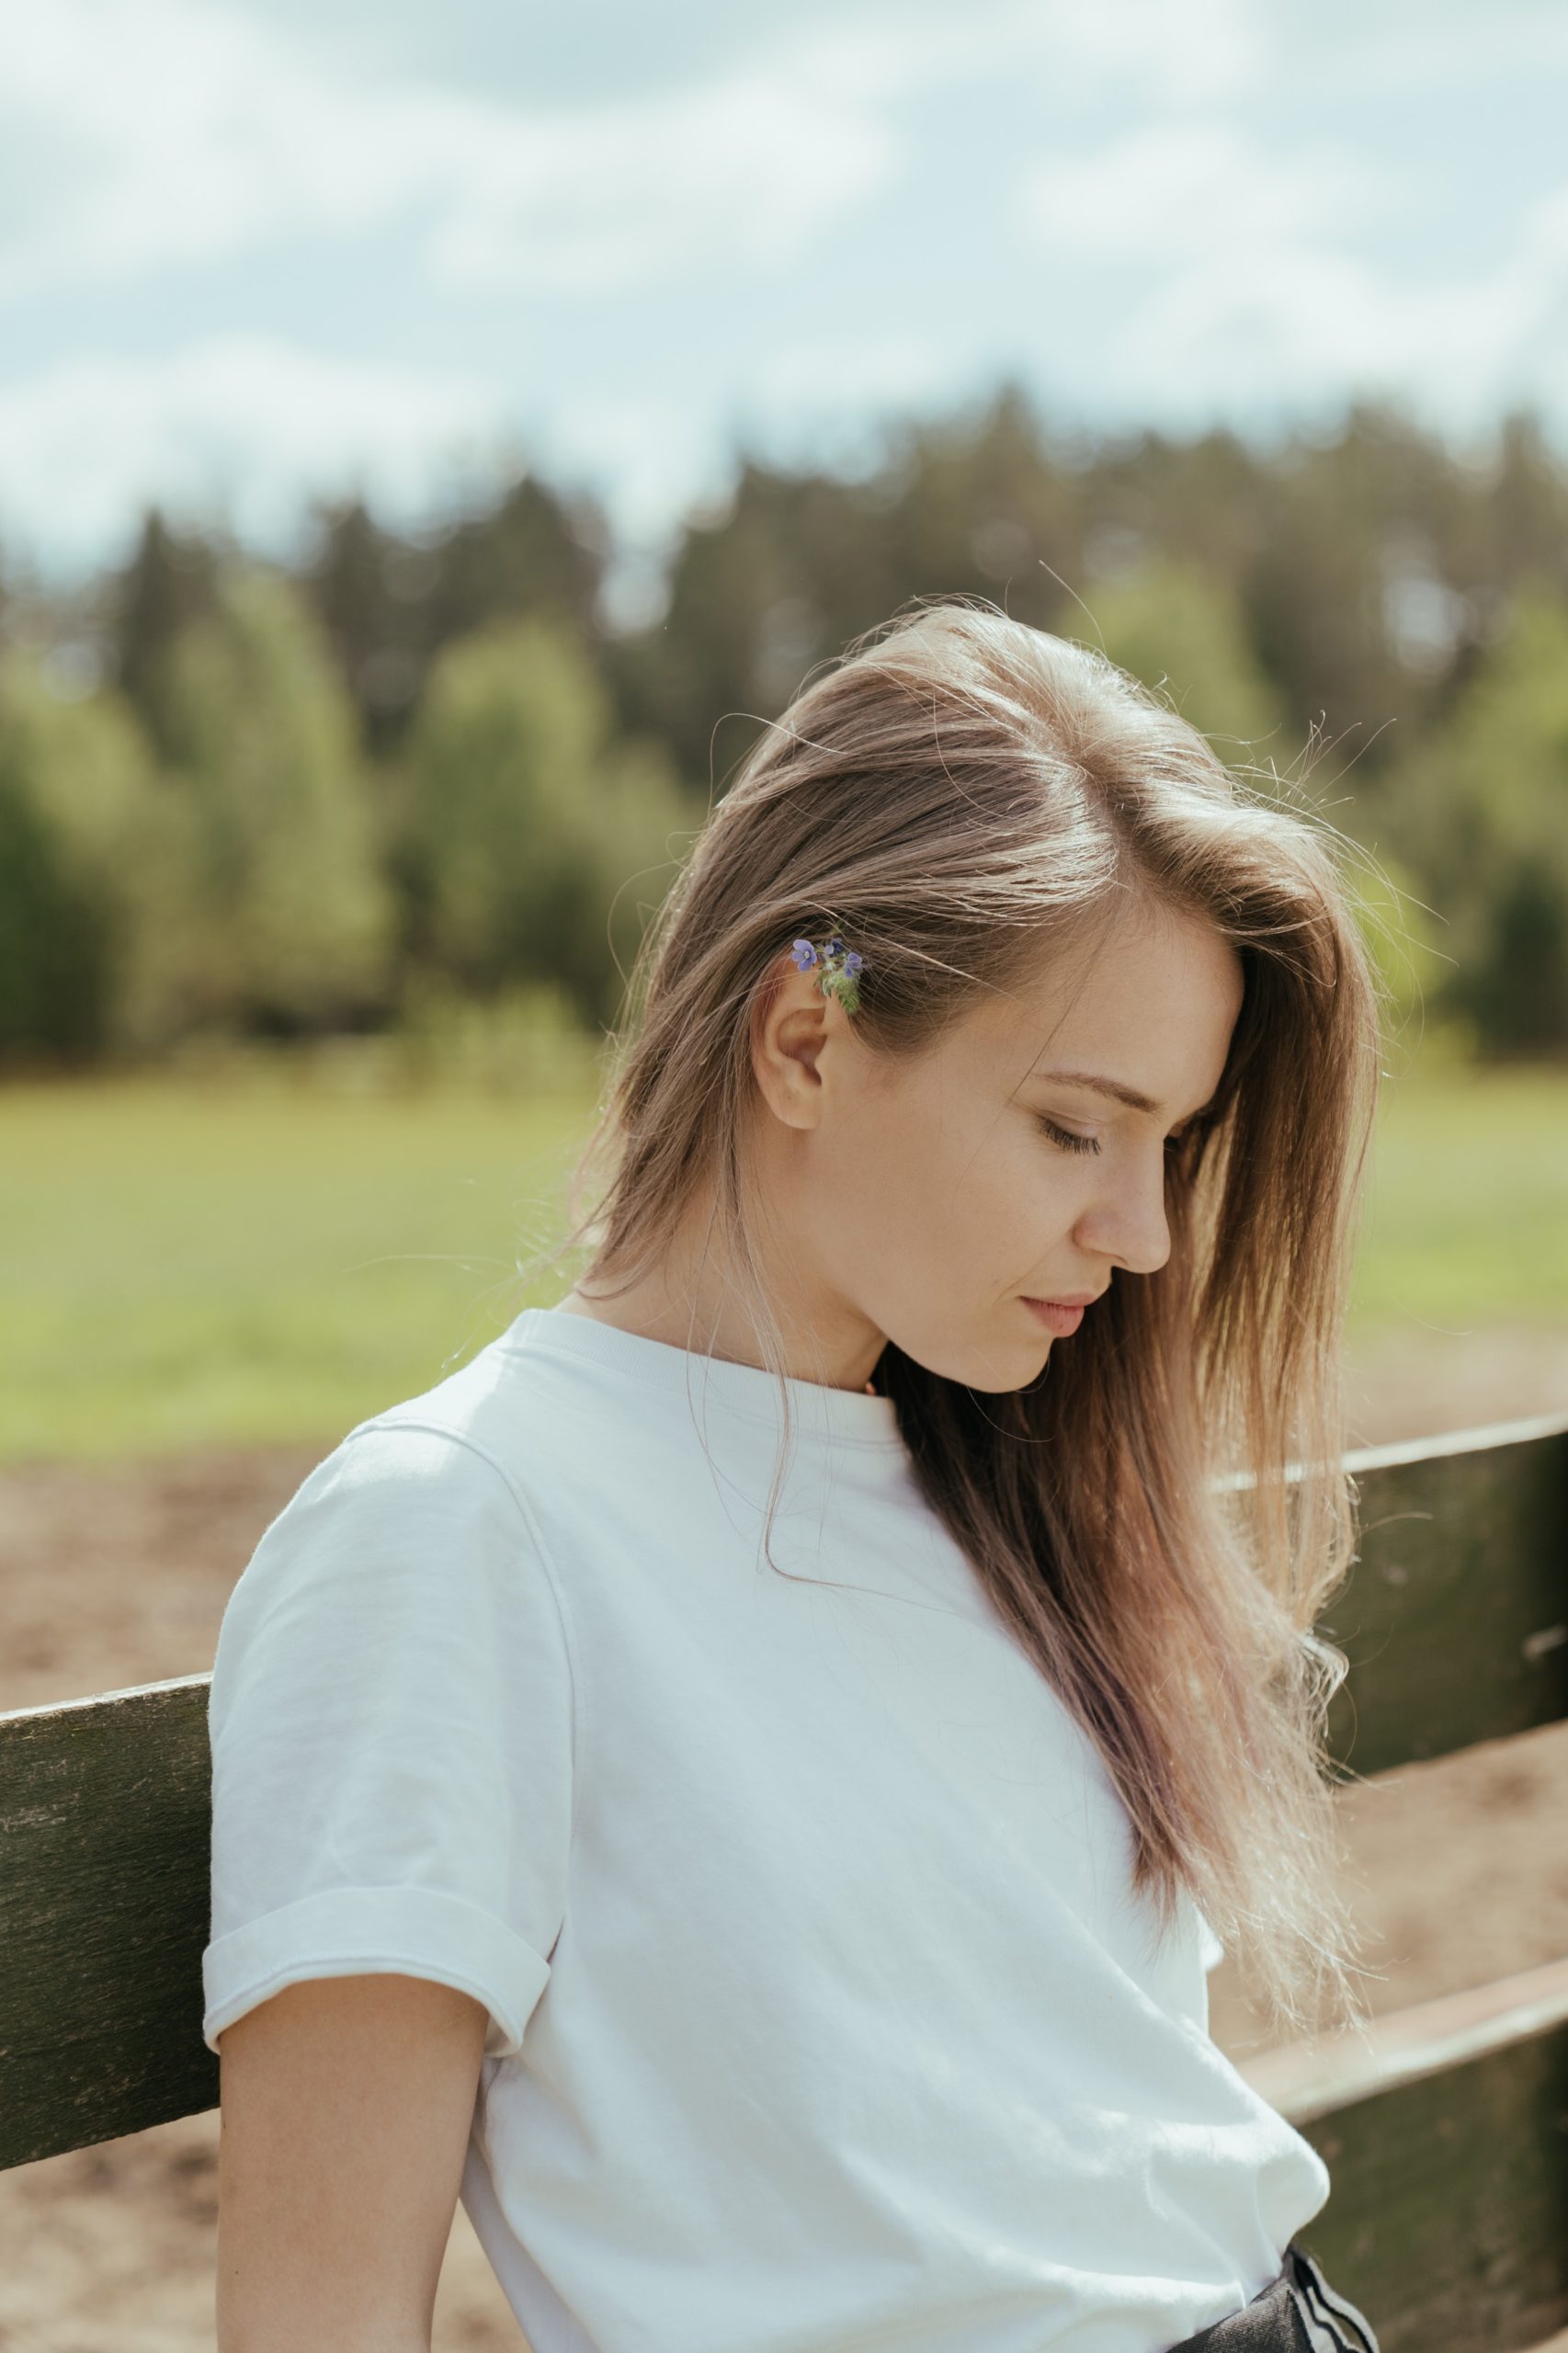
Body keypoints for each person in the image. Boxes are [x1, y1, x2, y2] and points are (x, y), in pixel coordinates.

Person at [203, 598, 1385, 2351]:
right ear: (806, 1041)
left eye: (1169, 1143)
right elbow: (318, 2323)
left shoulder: (1006, 1489)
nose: (1140, 1234)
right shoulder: (460, 1535)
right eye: (1075, 1124)